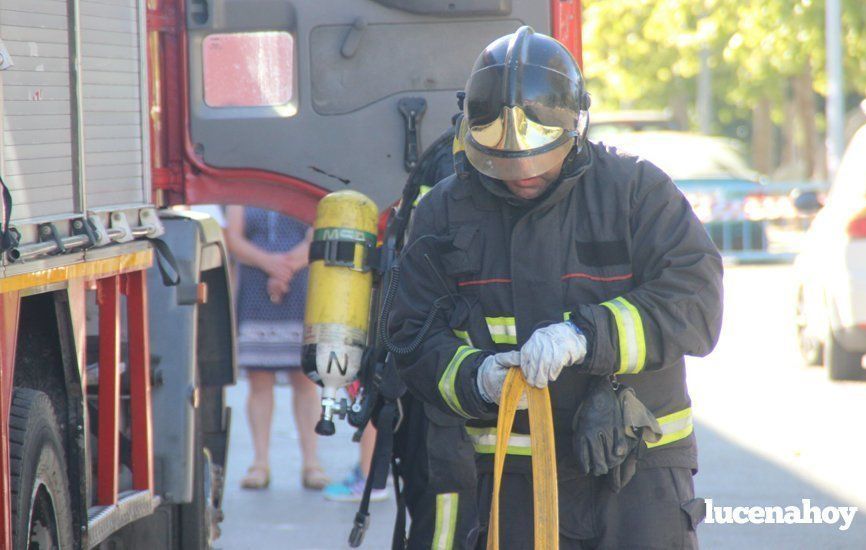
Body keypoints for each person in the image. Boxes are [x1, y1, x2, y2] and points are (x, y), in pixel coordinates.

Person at [387, 26, 723, 550]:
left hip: (639, 475)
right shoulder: (445, 214)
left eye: (538, 161)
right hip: (515, 480)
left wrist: (588, 338)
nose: (521, 175)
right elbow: (411, 337)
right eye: (503, 161)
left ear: (577, 126)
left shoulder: (637, 192)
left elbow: (697, 305)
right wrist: (477, 378)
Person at [225, 206, 330, 491]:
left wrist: (285, 269)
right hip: (256, 288)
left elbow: (317, 235)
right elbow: (234, 239)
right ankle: (259, 463)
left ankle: (312, 463)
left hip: (302, 286)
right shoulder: (242, 190)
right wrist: (270, 263)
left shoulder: (302, 180)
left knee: (305, 380)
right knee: (259, 380)